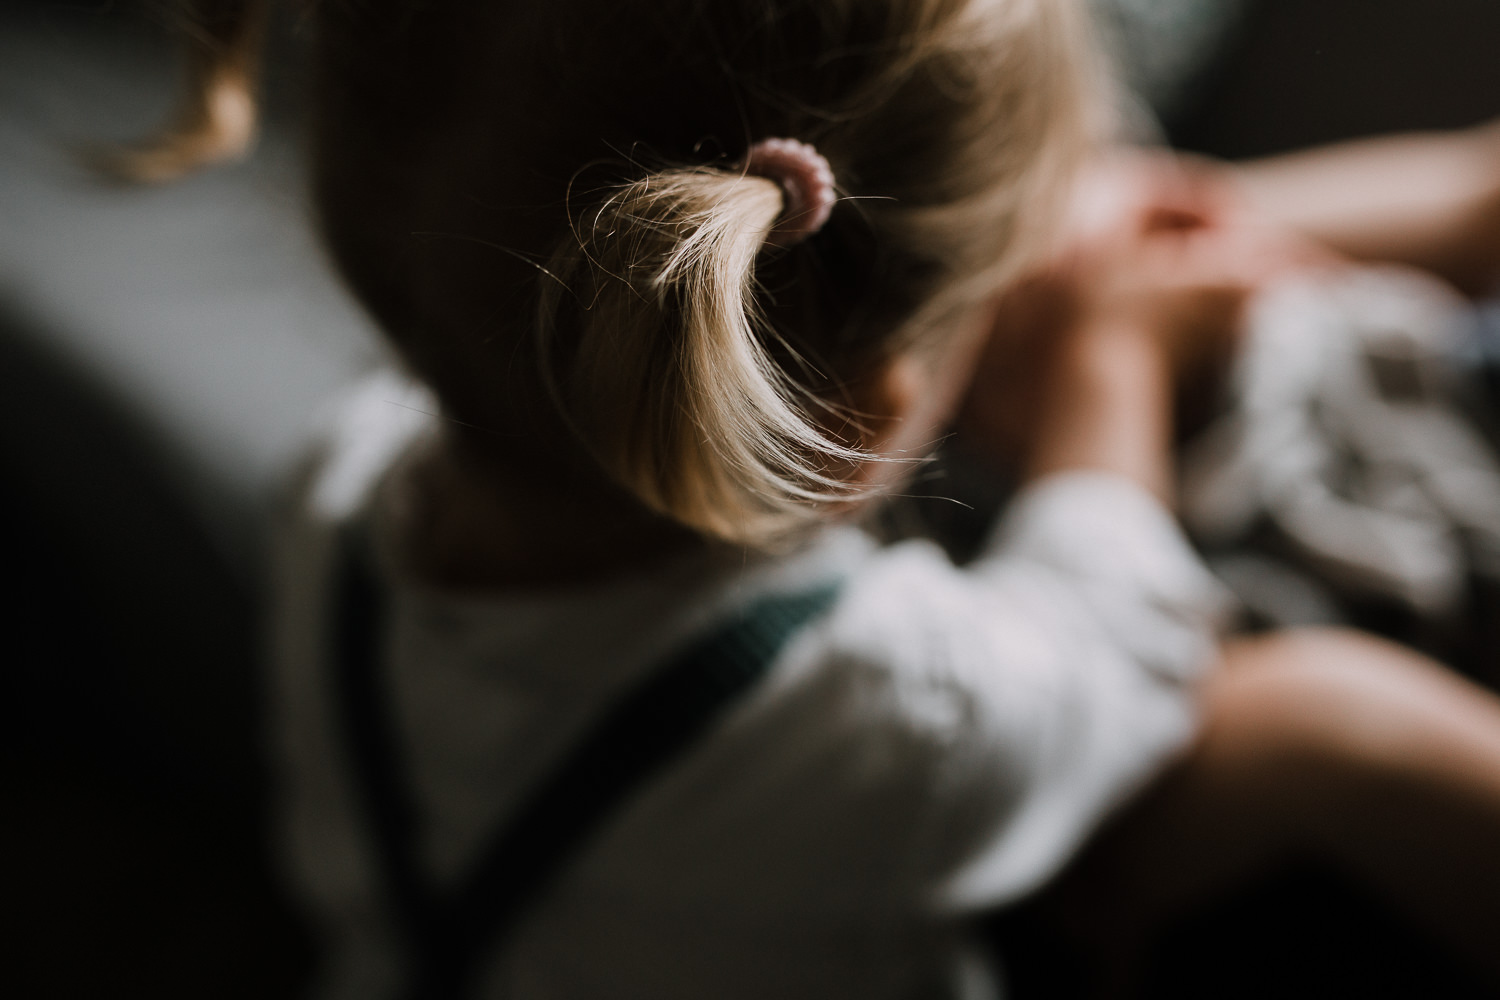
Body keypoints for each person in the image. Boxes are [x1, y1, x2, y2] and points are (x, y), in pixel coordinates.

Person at [131, 0, 1500, 997]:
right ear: (863, 425)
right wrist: (1110, 361)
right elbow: (1121, 641)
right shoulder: (887, 725)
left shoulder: (343, 483)